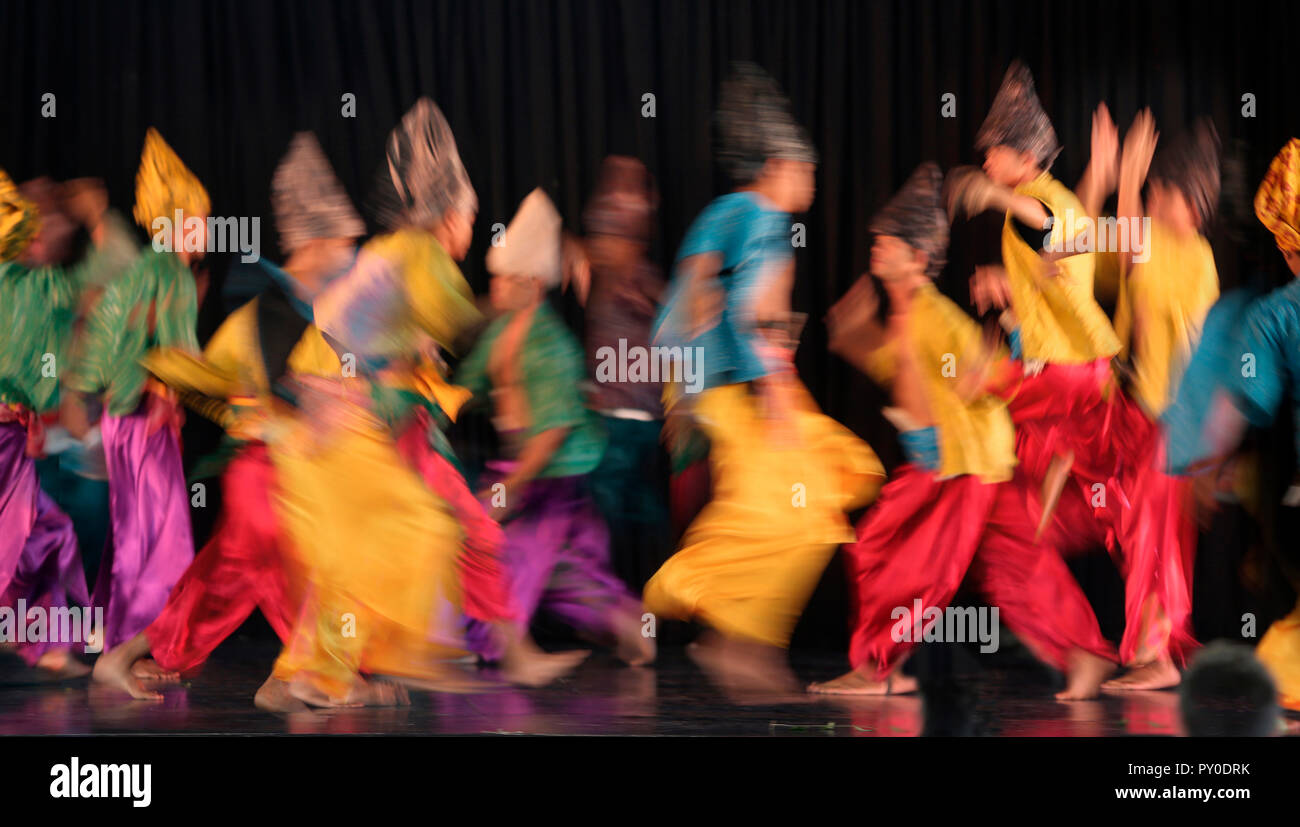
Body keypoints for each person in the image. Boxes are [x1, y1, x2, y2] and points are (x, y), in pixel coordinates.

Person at [808, 163, 1116, 700]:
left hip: (962, 464)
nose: (877, 247)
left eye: (891, 242)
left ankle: (877, 669)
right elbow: (905, 375)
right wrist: (855, 341)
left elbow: (981, 375)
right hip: (962, 460)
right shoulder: (907, 316)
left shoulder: (935, 316)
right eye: (878, 240)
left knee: (887, 550)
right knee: (1009, 561)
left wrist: (991, 367)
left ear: (919, 260)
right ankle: (1083, 653)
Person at [90, 133, 362, 706]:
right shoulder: (260, 304)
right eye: (340, 241)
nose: (348, 250)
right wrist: (150, 381)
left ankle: (291, 676)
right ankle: (299, 678)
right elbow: (210, 374)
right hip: (246, 465)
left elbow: (217, 375)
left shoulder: (293, 305)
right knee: (247, 563)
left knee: (219, 580)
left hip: (259, 465)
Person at [644, 63, 885, 693]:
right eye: (804, 170)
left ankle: (737, 639)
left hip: (707, 385)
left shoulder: (725, 211)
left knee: (784, 505)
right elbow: (753, 312)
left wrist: (683, 396)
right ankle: (732, 635)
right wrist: (776, 394)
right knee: (806, 511)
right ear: (778, 167)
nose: (810, 180)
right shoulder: (766, 220)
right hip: (738, 388)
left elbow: (690, 296)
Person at [455, 188, 653, 668]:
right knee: (566, 567)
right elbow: (468, 388)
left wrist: (510, 488)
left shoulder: (552, 348)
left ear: (533, 284)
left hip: (549, 473)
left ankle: (510, 648)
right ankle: (627, 624)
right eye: (496, 278)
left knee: (514, 555)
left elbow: (550, 435)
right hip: (523, 469)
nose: (496, 287)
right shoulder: (503, 333)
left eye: (507, 279)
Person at [63, 129, 206, 652]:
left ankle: (113, 638)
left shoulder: (151, 270)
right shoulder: (167, 273)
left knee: (137, 532)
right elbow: (174, 357)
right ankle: (132, 649)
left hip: (130, 421)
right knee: (158, 540)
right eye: (197, 221)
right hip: (141, 421)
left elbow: (111, 334)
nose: (207, 230)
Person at [0, 172, 132, 676]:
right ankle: (47, 643)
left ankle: (48, 644)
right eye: (38, 222)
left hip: (27, 434)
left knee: (46, 532)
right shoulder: (39, 287)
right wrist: (100, 217)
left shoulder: (37, 287)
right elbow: (110, 273)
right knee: (42, 533)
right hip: (16, 436)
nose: (49, 231)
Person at [580, 156, 671, 590]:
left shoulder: (643, 279)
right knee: (618, 505)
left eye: (609, 239)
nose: (599, 247)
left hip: (636, 418)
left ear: (631, 241)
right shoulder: (599, 279)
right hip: (612, 416)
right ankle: (622, 601)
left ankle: (636, 598)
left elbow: (678, 319)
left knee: (617, 504)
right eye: (596, 238)